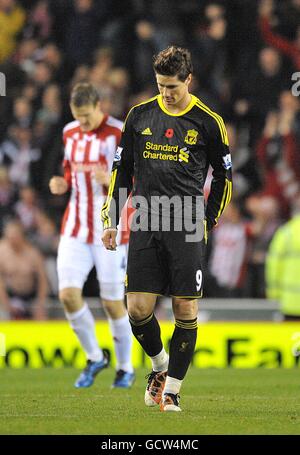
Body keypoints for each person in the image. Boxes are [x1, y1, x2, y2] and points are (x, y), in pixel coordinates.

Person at [102, 46, 232, 411]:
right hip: (145, 217)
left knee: (185, 308)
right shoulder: (139, 115)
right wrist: (111, 218)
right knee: (138, 309)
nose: (166, 93)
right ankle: (160, 366)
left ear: (188, 80)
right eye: (160, 85)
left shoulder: (209, 122)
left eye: (172, 86)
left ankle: (172, 391)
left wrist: (207, 220)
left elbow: (224, 176)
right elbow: (122, 170)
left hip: (187, 221)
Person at [49, 82, 134, 389]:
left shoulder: (119, 133)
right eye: (78, 116)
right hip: (75, 226)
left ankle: (125, 367)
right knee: (67, 295)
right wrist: (63, 183)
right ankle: (95, 356)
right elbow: (71, 171)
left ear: (99, 106)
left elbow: (138, 180)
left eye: (87, 116)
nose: (82, 123)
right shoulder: (70, 132)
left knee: (112, 303)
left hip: (110, 228)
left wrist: (111, 179)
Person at [0, 219, 48, 320]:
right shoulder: (2, 251)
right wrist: (6, 304)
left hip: (30, 297)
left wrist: (40, 304)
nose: (12, 239)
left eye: (15, 236)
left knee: (42, 318)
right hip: (8, 296)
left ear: (21, 236)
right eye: (9, 236)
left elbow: (43, 280)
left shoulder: (33, 253)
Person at [265, 195, 300, 320]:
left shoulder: (286, 233)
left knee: (292, 338)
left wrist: (273, 292)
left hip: (289, 302)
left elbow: (273, 265)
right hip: (288, 301)